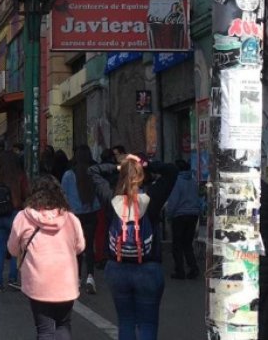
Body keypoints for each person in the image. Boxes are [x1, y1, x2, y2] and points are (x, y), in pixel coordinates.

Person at [99, 155, 178, 340]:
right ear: (142, 176)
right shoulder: (151, 199)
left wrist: (119, 167)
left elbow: (93, 171)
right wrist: (147, 164)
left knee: (125, 321)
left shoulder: (111, 199)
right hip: (148, 268)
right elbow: (172, 171)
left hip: (117, 267)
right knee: (148, 323)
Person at [8, 176, 85, 340]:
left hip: (39, 282)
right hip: (66, 281)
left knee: (45, 330)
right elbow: (80, 247)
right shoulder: (71, 219)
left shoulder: (23, 217)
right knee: (63, 325)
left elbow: (12, 249)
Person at [61, 144, 101, 295]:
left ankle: (76, 278)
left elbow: (63, 195)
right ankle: (90, 277)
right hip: (91, 213)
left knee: (76, 247)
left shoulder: (68, 175)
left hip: (74, 215)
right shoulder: (94, 174)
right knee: (89, 246)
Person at [0, 151, 30, 292]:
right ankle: (13, 279)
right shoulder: (19, 176)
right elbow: (26, 194)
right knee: (15, 249)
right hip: (14, 214)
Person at [165, 159, 200, 280]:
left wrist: (169, 215)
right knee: (187, 244)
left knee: (177, 244)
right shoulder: (193, 181)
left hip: (180, 216)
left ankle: (180, 270)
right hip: (193, 215)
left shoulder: (177, 181)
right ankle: (193, 267)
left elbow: (173, 201)